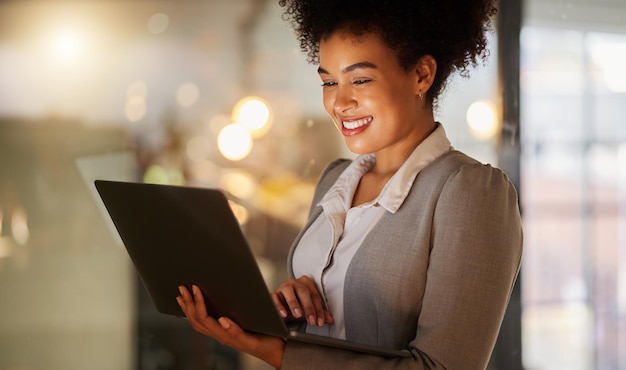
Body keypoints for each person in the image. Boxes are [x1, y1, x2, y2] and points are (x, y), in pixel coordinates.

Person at [176, 0, 523, 368]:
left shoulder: (469, 192)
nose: (339, 102)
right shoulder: (334, 181)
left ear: (421, 74)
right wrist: (291, 311)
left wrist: (277, 352)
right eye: (329, 82)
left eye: (360, 79)